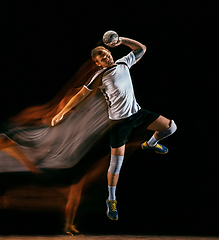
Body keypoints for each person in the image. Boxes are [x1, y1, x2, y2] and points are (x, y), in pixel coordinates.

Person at [50, 35, 177, 221]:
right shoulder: (99, 76)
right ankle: (111, 199)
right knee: (116, 164)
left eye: (106, 53)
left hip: (138, 114)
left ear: (110, 52)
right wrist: (62, 113)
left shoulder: (124, 63)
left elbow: (142, 48)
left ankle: (151, 143)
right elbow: (79, 96)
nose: (105, 56)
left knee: (171, 127)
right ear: (97, 62)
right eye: (101, 56)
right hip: (119, 123)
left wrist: (121, 40)